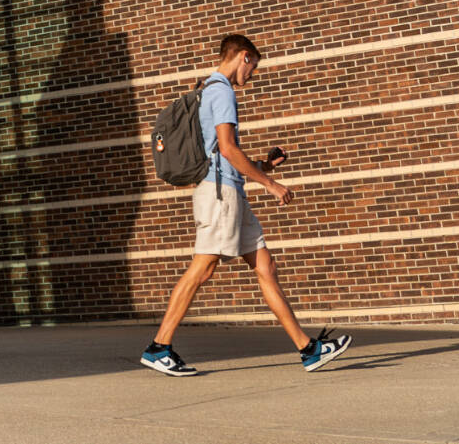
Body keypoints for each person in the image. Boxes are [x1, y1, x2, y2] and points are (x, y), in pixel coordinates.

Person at [140, 35, 353, 377]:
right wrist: (270, 184)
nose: (252, 75)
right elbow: (226, 149)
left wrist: (265, 166)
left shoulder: (210, 88)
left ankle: (309, 350)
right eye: (254, 66)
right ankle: (158, 347)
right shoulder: (222, 90)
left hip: (231, 190)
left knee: (265, 266)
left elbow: (223, 153)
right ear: (244, 57)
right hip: (220, 194)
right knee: (204, 267)